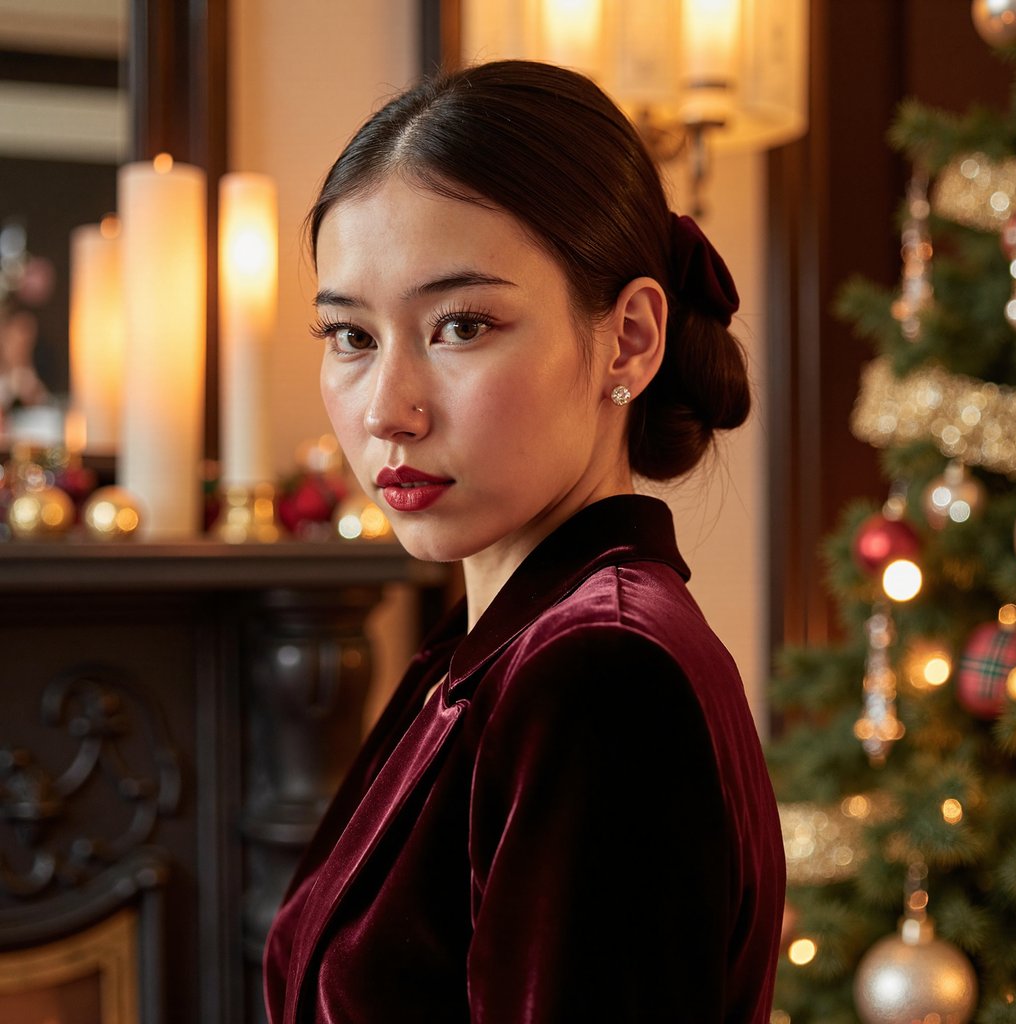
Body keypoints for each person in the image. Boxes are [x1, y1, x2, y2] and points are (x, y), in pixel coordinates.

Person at [264, 59, 785, 1024]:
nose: (389, 411)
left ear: (629, 339)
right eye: (351, 336)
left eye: (462, 325)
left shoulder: (597, 674)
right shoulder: (488, 649)